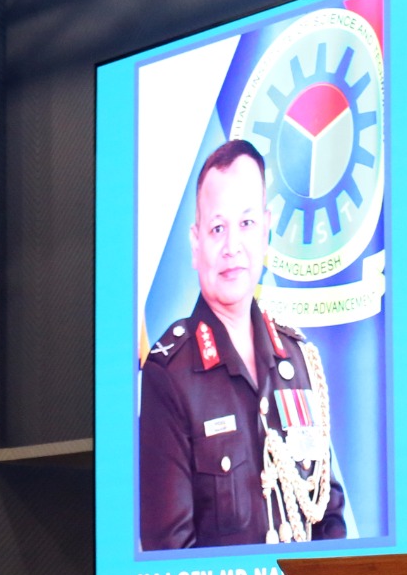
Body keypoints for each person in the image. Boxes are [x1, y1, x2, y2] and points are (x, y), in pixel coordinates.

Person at [139, 139, 346, 550]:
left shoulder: (299, 361)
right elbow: (170, 554)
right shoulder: (169, 375)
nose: (232, 247)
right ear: (196, 244)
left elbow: (328, 515)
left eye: (247, 223)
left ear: (266, 231)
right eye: (218, 228)